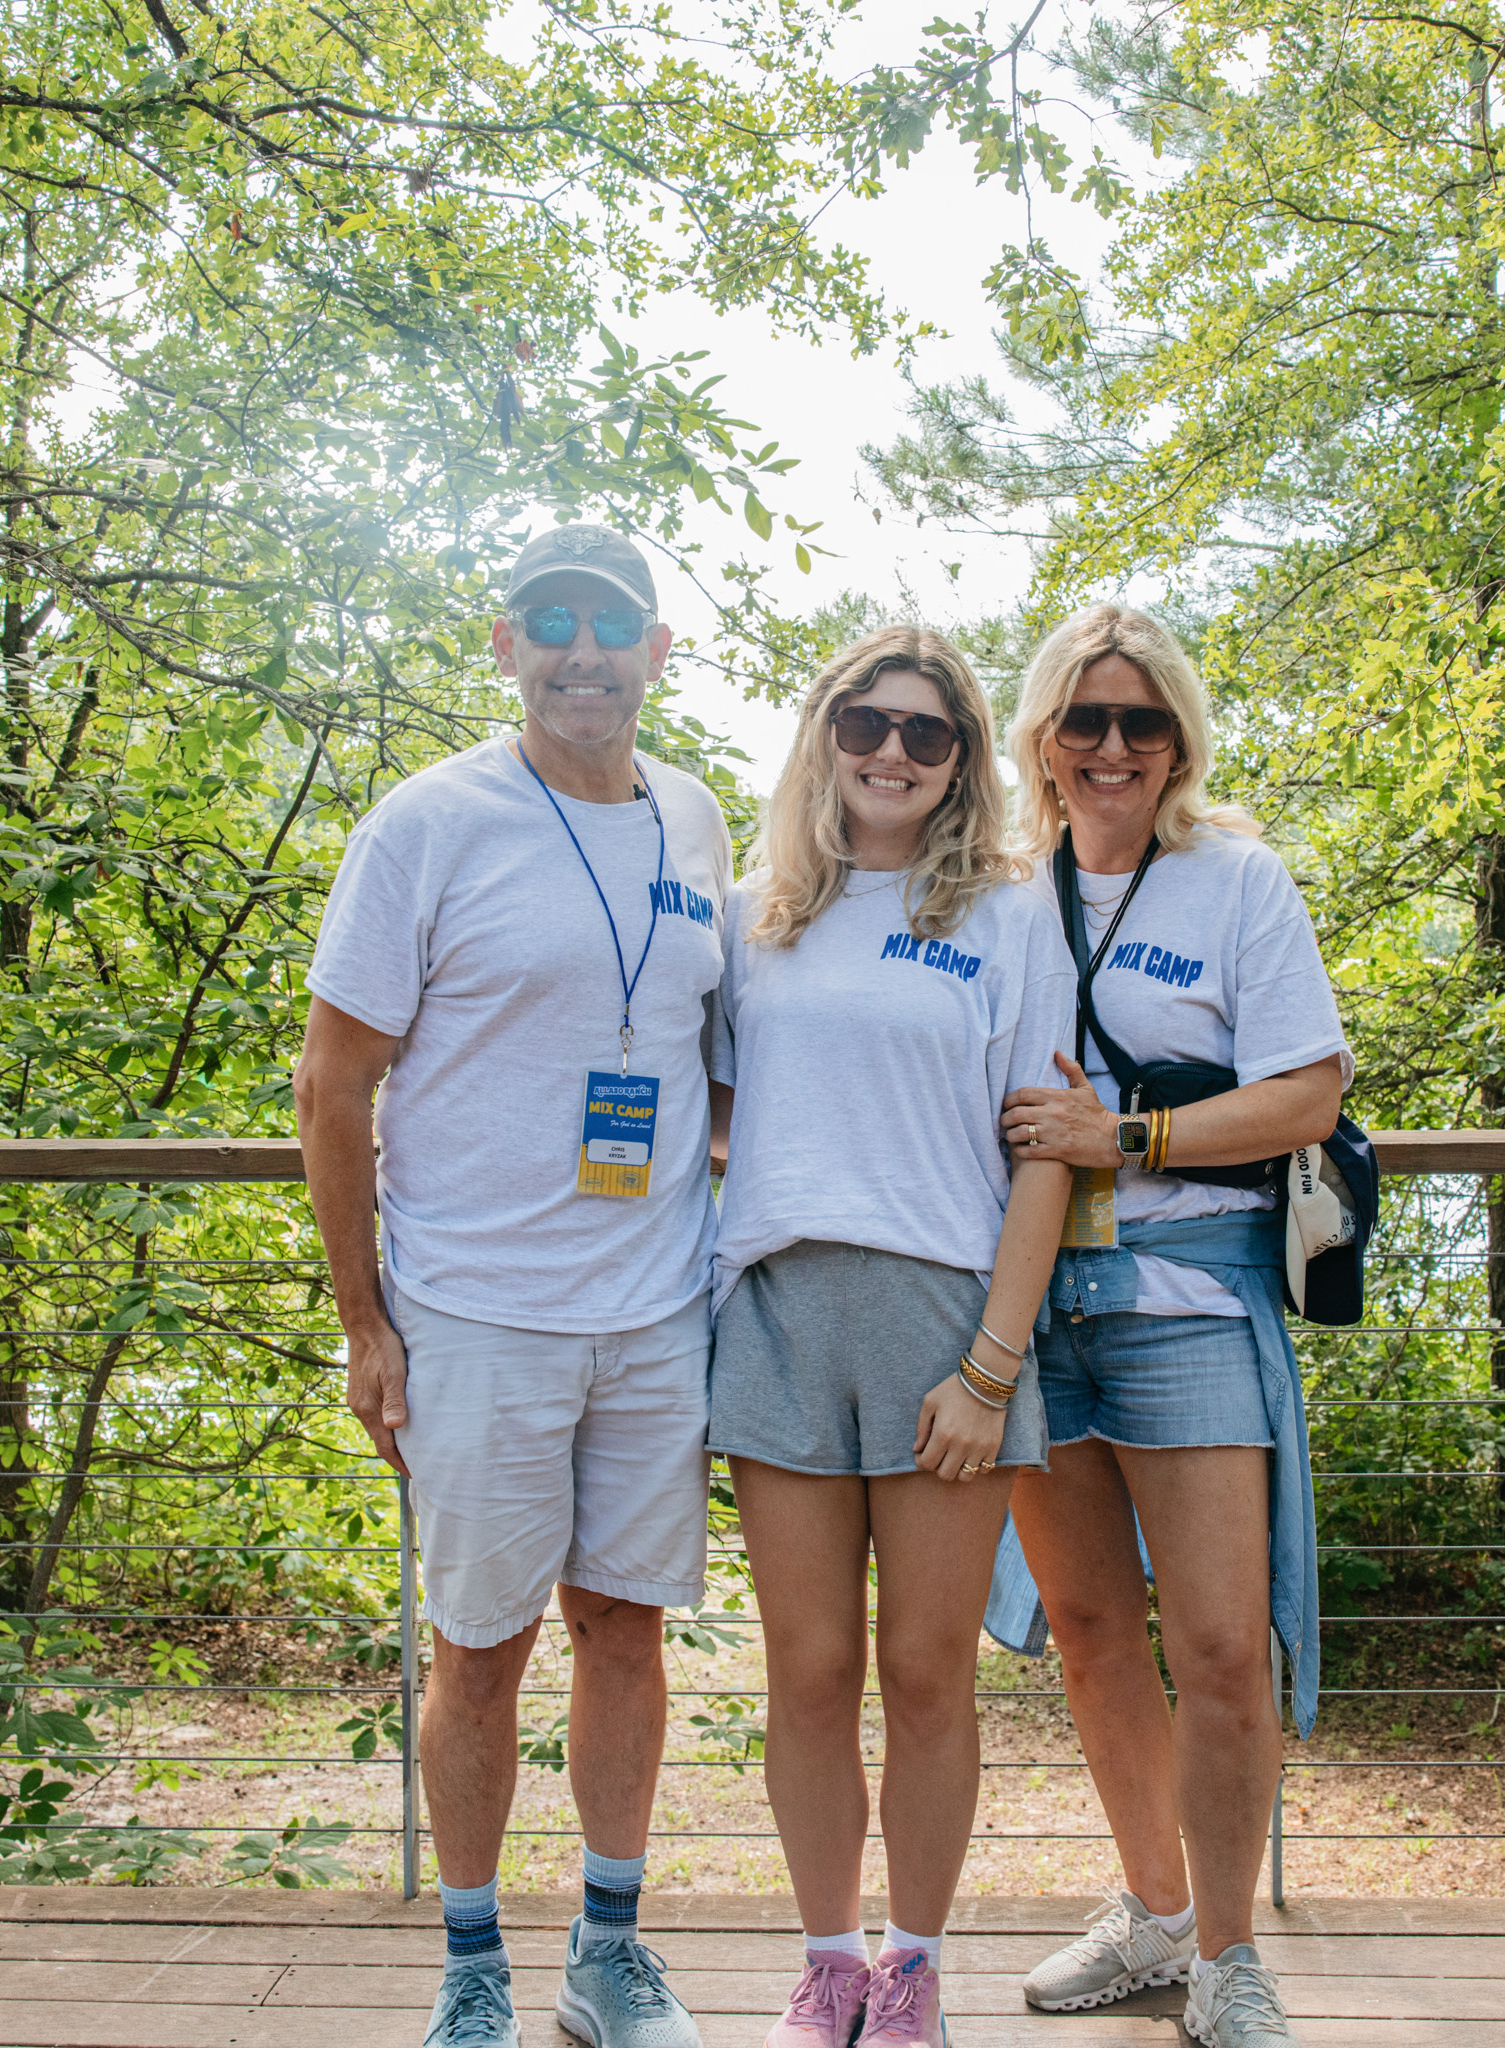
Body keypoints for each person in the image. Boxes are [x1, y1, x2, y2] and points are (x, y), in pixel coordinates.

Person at [294, 525, 732, 2048]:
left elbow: (712, 1065)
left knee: (628, 1628)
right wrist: (366, 1323)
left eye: (611, 627)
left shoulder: (698, 821)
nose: (582, 653)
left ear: (659, 652)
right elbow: (333, 1080)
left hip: (656, 1308)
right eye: (552, 624)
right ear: (505, 645)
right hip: (475, 1317)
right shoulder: (428, 824)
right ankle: (472, 1972)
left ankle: (607, 1955)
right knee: (480, 1647)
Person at [707, 626, 1075, 2048]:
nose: (893, 752)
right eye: (868, 720)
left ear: (965, 761)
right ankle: (827, 1964)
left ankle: (912, 1968)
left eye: (930, 733)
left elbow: (1044, 1148)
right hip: (784, 1311)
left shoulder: (1009, 913)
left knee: (928, 1671)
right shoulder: (761, 916)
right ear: (825, 731)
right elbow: (720, 1107)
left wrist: (992, 1365)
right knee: (806, 1669)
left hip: (943, 1322)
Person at [990, 605, 1350, 2048]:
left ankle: (1229, 1954)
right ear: (1043, 741)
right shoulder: (1000, 888)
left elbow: (1307, 1094)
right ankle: (1153, 1917)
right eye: (1088, 720)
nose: (1116, 747)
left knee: (1216, 1645)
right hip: (1028, 1299)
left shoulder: (1237, 884)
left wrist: (1124, 1135)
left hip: (1189, 1298)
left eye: (1145, 722)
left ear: (1180, 742)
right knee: (1086, 1633)